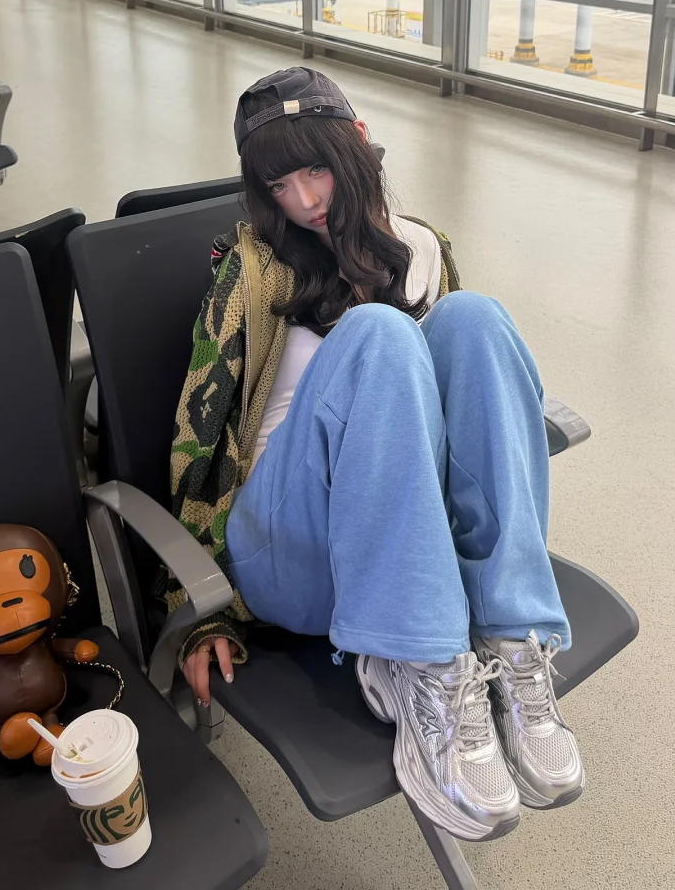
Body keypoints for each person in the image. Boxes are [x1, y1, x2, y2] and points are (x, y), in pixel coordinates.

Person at [167, 66, 584, 843]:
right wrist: (191, 609)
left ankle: (510, 637)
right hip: (288, 546)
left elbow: (467, 411)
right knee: (382, 332)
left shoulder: (423, 248)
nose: (303, 200)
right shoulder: (250, 269)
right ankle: (423, 665)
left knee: (474, 320)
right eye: (278, 184)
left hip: (401, 539)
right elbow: (199, 436)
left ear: (356, 143)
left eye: (315, 169)